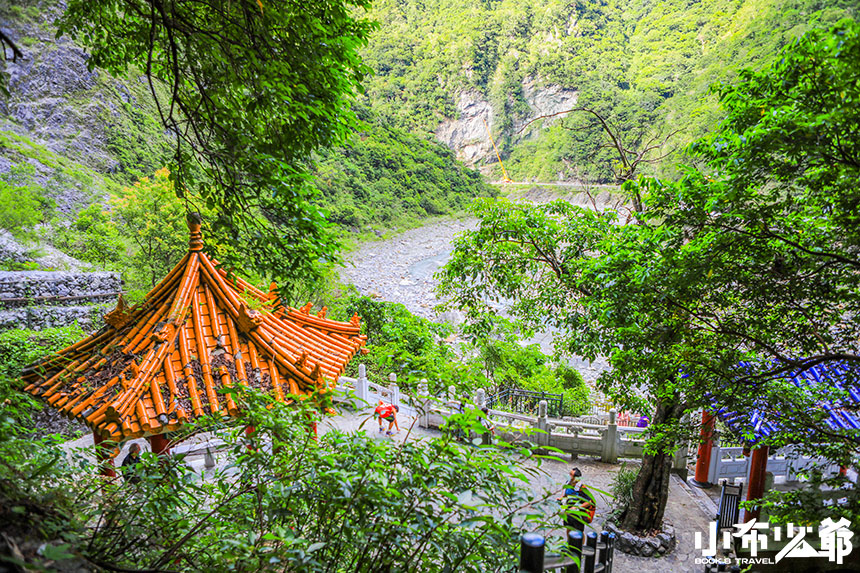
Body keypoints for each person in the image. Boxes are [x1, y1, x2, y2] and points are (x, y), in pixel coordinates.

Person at [560, 467, 595, 533]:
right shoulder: (568, 483)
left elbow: (589, 501)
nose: (568, 476)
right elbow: (564, 492)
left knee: (579, 532)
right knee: (569, 529)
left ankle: (580, 543)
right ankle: (569, 542)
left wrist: (576, 507)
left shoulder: (582, 488)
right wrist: (561, 498)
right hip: (568, 511)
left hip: (578, 513)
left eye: (571, 475)